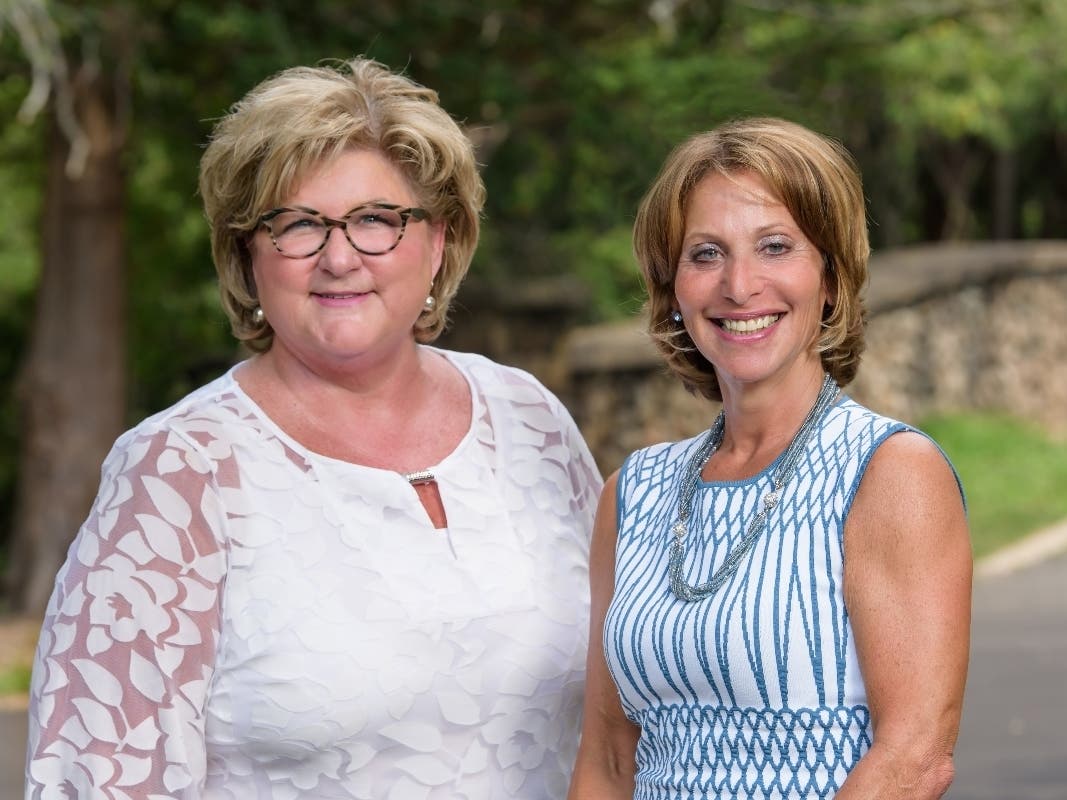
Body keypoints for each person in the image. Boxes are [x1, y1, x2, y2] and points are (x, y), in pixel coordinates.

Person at [25, 57, 603, 799]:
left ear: (438, 242)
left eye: (374, 220)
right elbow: (95, 780)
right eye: (296, 224)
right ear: (246, 255)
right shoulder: (178, 471)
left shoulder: (528, 420)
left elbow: (621, 705)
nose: (338, 257)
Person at [568, 117, 971, 799]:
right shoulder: (630, 494)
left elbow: (913, 759)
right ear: (672, 293)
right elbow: (607, 758)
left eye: (775, 246)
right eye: (705, 254)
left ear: (832, 278)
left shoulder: (887, 472)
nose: (738, 284)